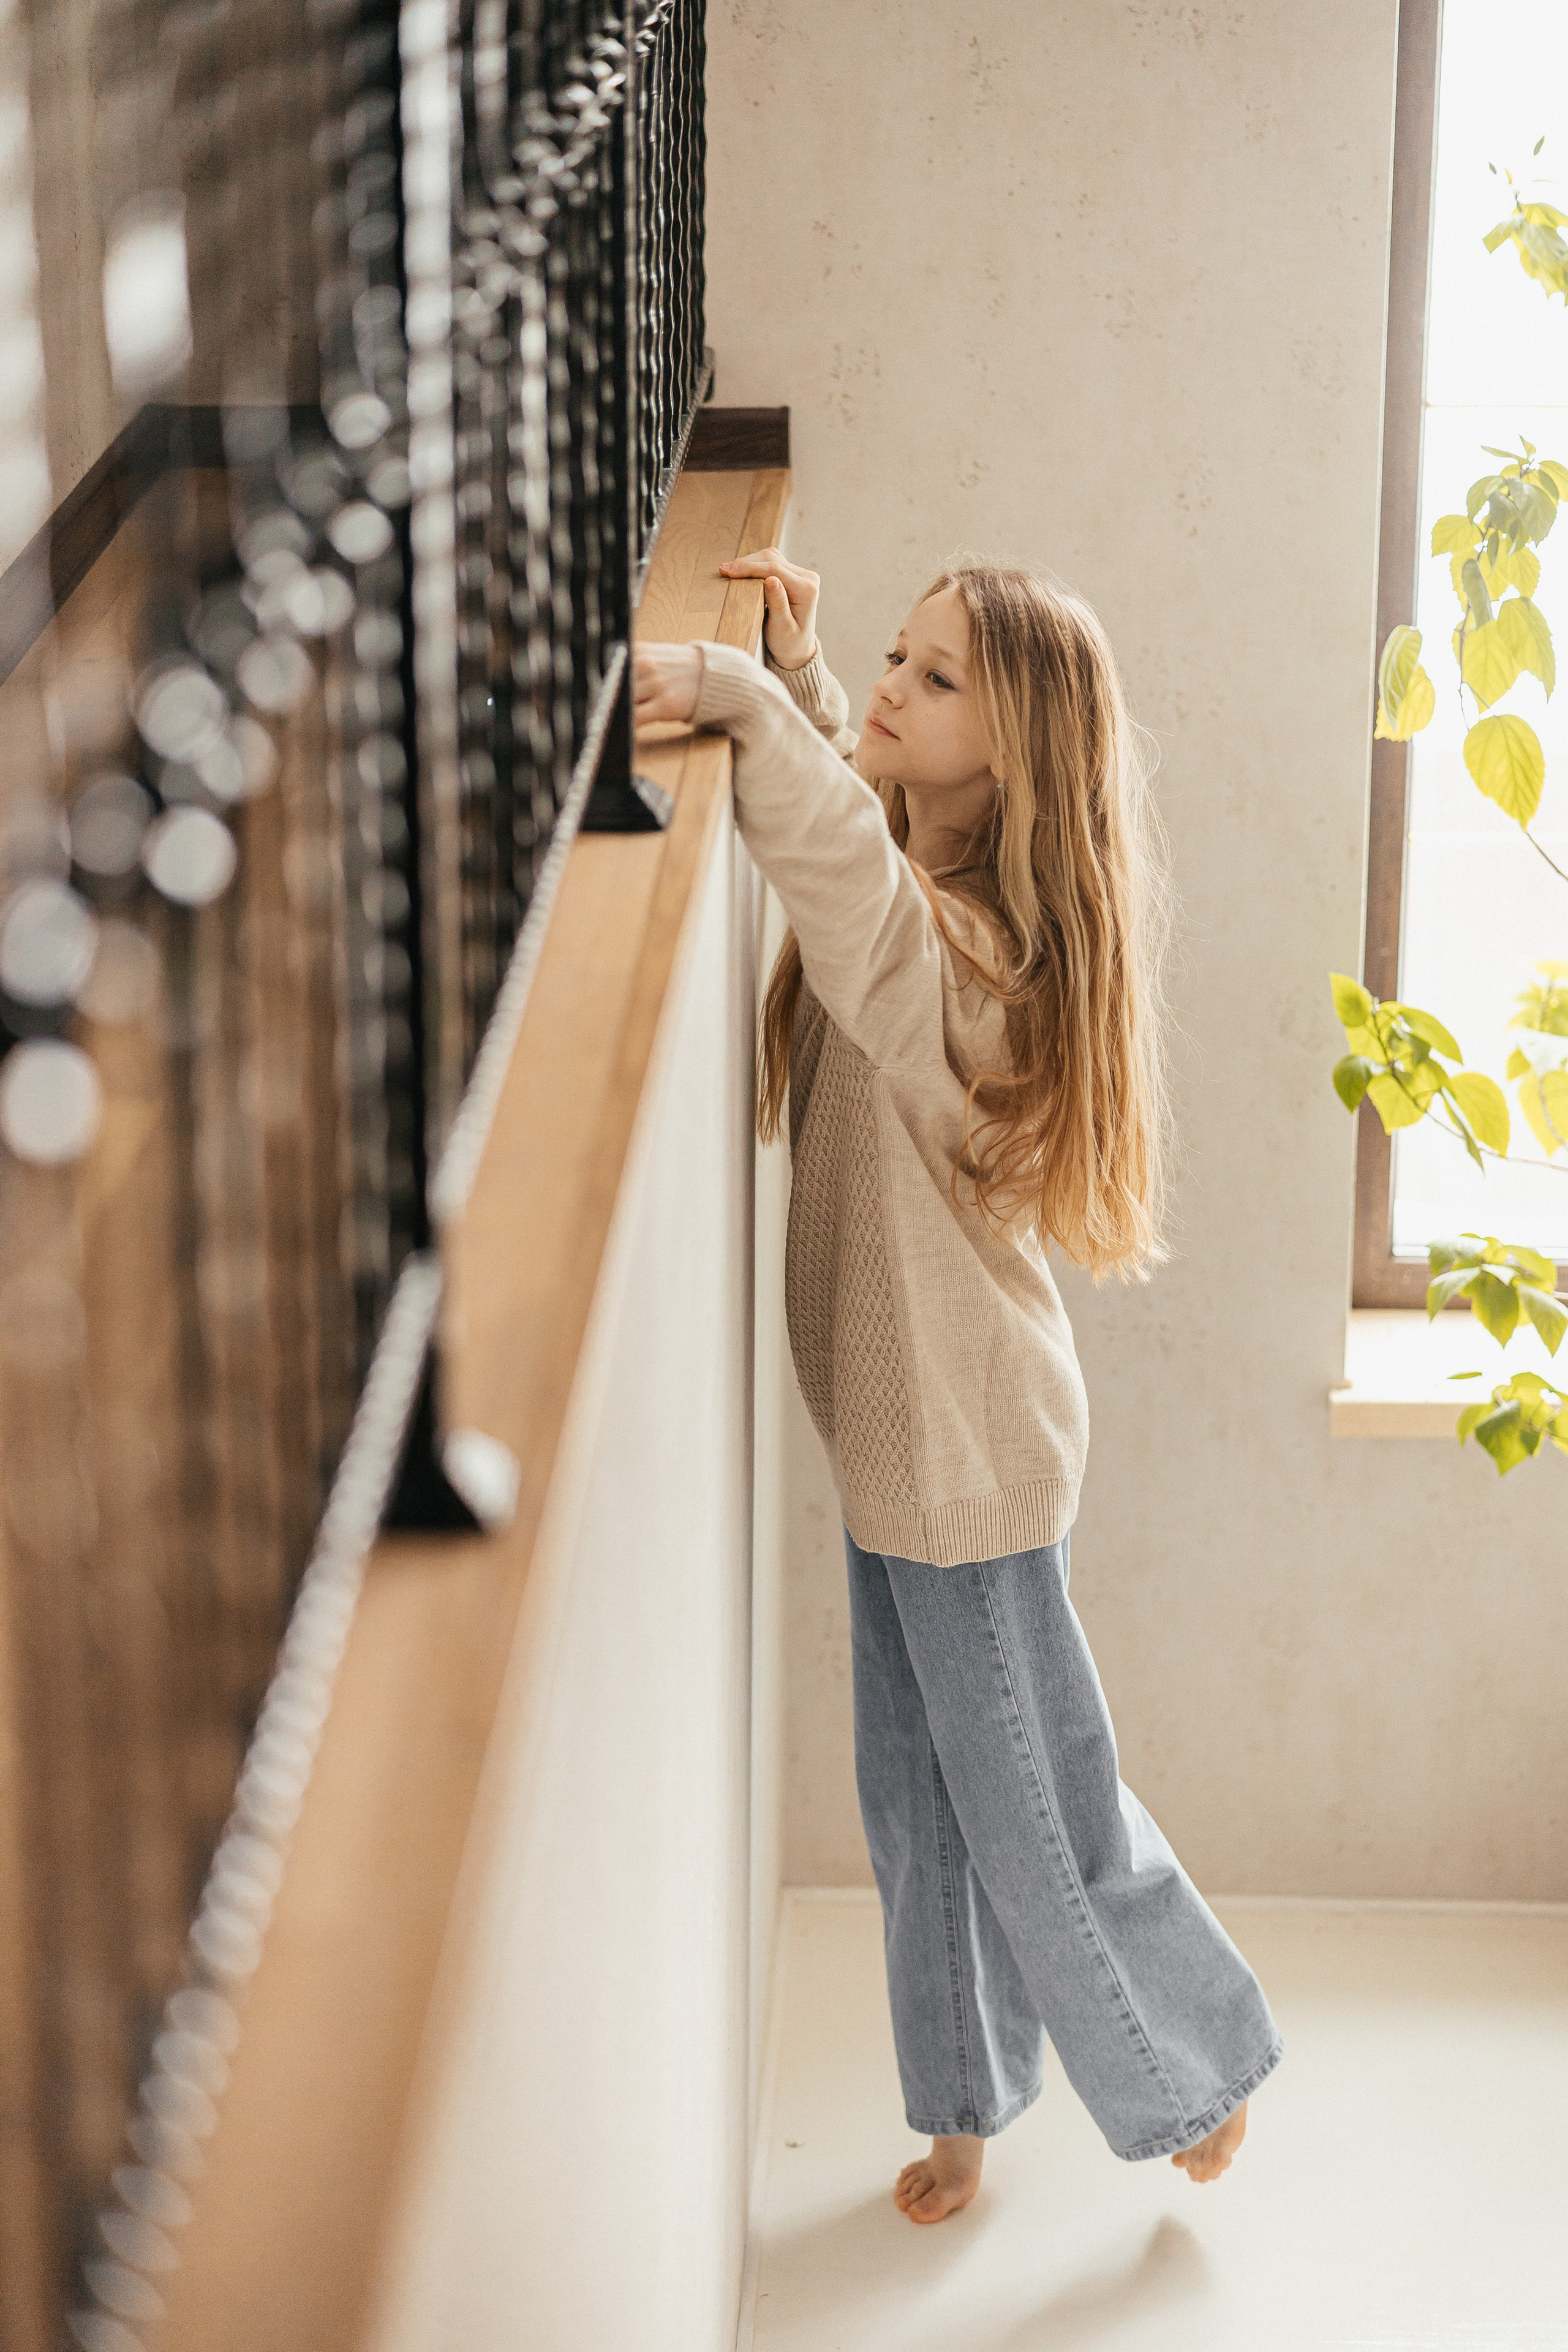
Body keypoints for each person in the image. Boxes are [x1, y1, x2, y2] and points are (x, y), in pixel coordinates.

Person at [633, 550, 1281, 2226]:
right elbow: (866, 853)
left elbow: (854, 891)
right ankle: (966, 2111)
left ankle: (1192, 2075)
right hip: (899, 1448)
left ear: (1011, 758)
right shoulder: (925, 905)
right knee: (920, 1813)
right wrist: (807, 668)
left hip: (966, 1453)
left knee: (1042, 1811)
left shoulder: (975, 967)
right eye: (898, 665)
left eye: (932, 682)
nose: (894, 697)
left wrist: (742, 697)